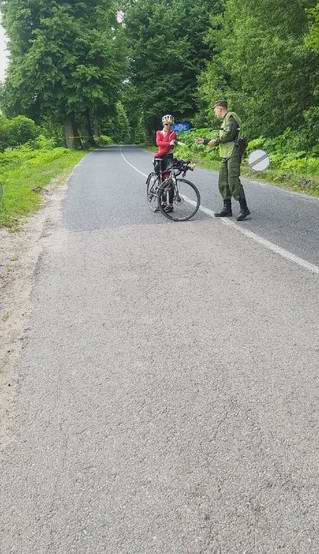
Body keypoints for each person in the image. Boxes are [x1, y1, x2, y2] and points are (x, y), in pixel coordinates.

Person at [196, 100, 250, 221]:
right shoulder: (225, 120)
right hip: (225, 154)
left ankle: (244, 208)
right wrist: (205, 141)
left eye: (215, 110)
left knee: (233, 180)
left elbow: (228, 135)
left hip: (233, 153)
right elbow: (222, 138)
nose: (215, 113)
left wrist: (215, 141)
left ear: (220, 108)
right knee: (223, 181)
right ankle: (227, 209)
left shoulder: (231, 118)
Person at [154, 114, 177, 212]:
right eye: (166, 124)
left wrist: (157, 154)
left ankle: (170, 204)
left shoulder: (173, 134)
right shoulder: (159, 132)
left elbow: (169, 148)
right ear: (163, 124)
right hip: (159, 158)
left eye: (170, 125)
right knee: (161, 180)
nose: (168, 126)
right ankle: (162, 203)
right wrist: (168, 143)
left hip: (168, 157)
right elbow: (158, 143)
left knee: (170, 180)